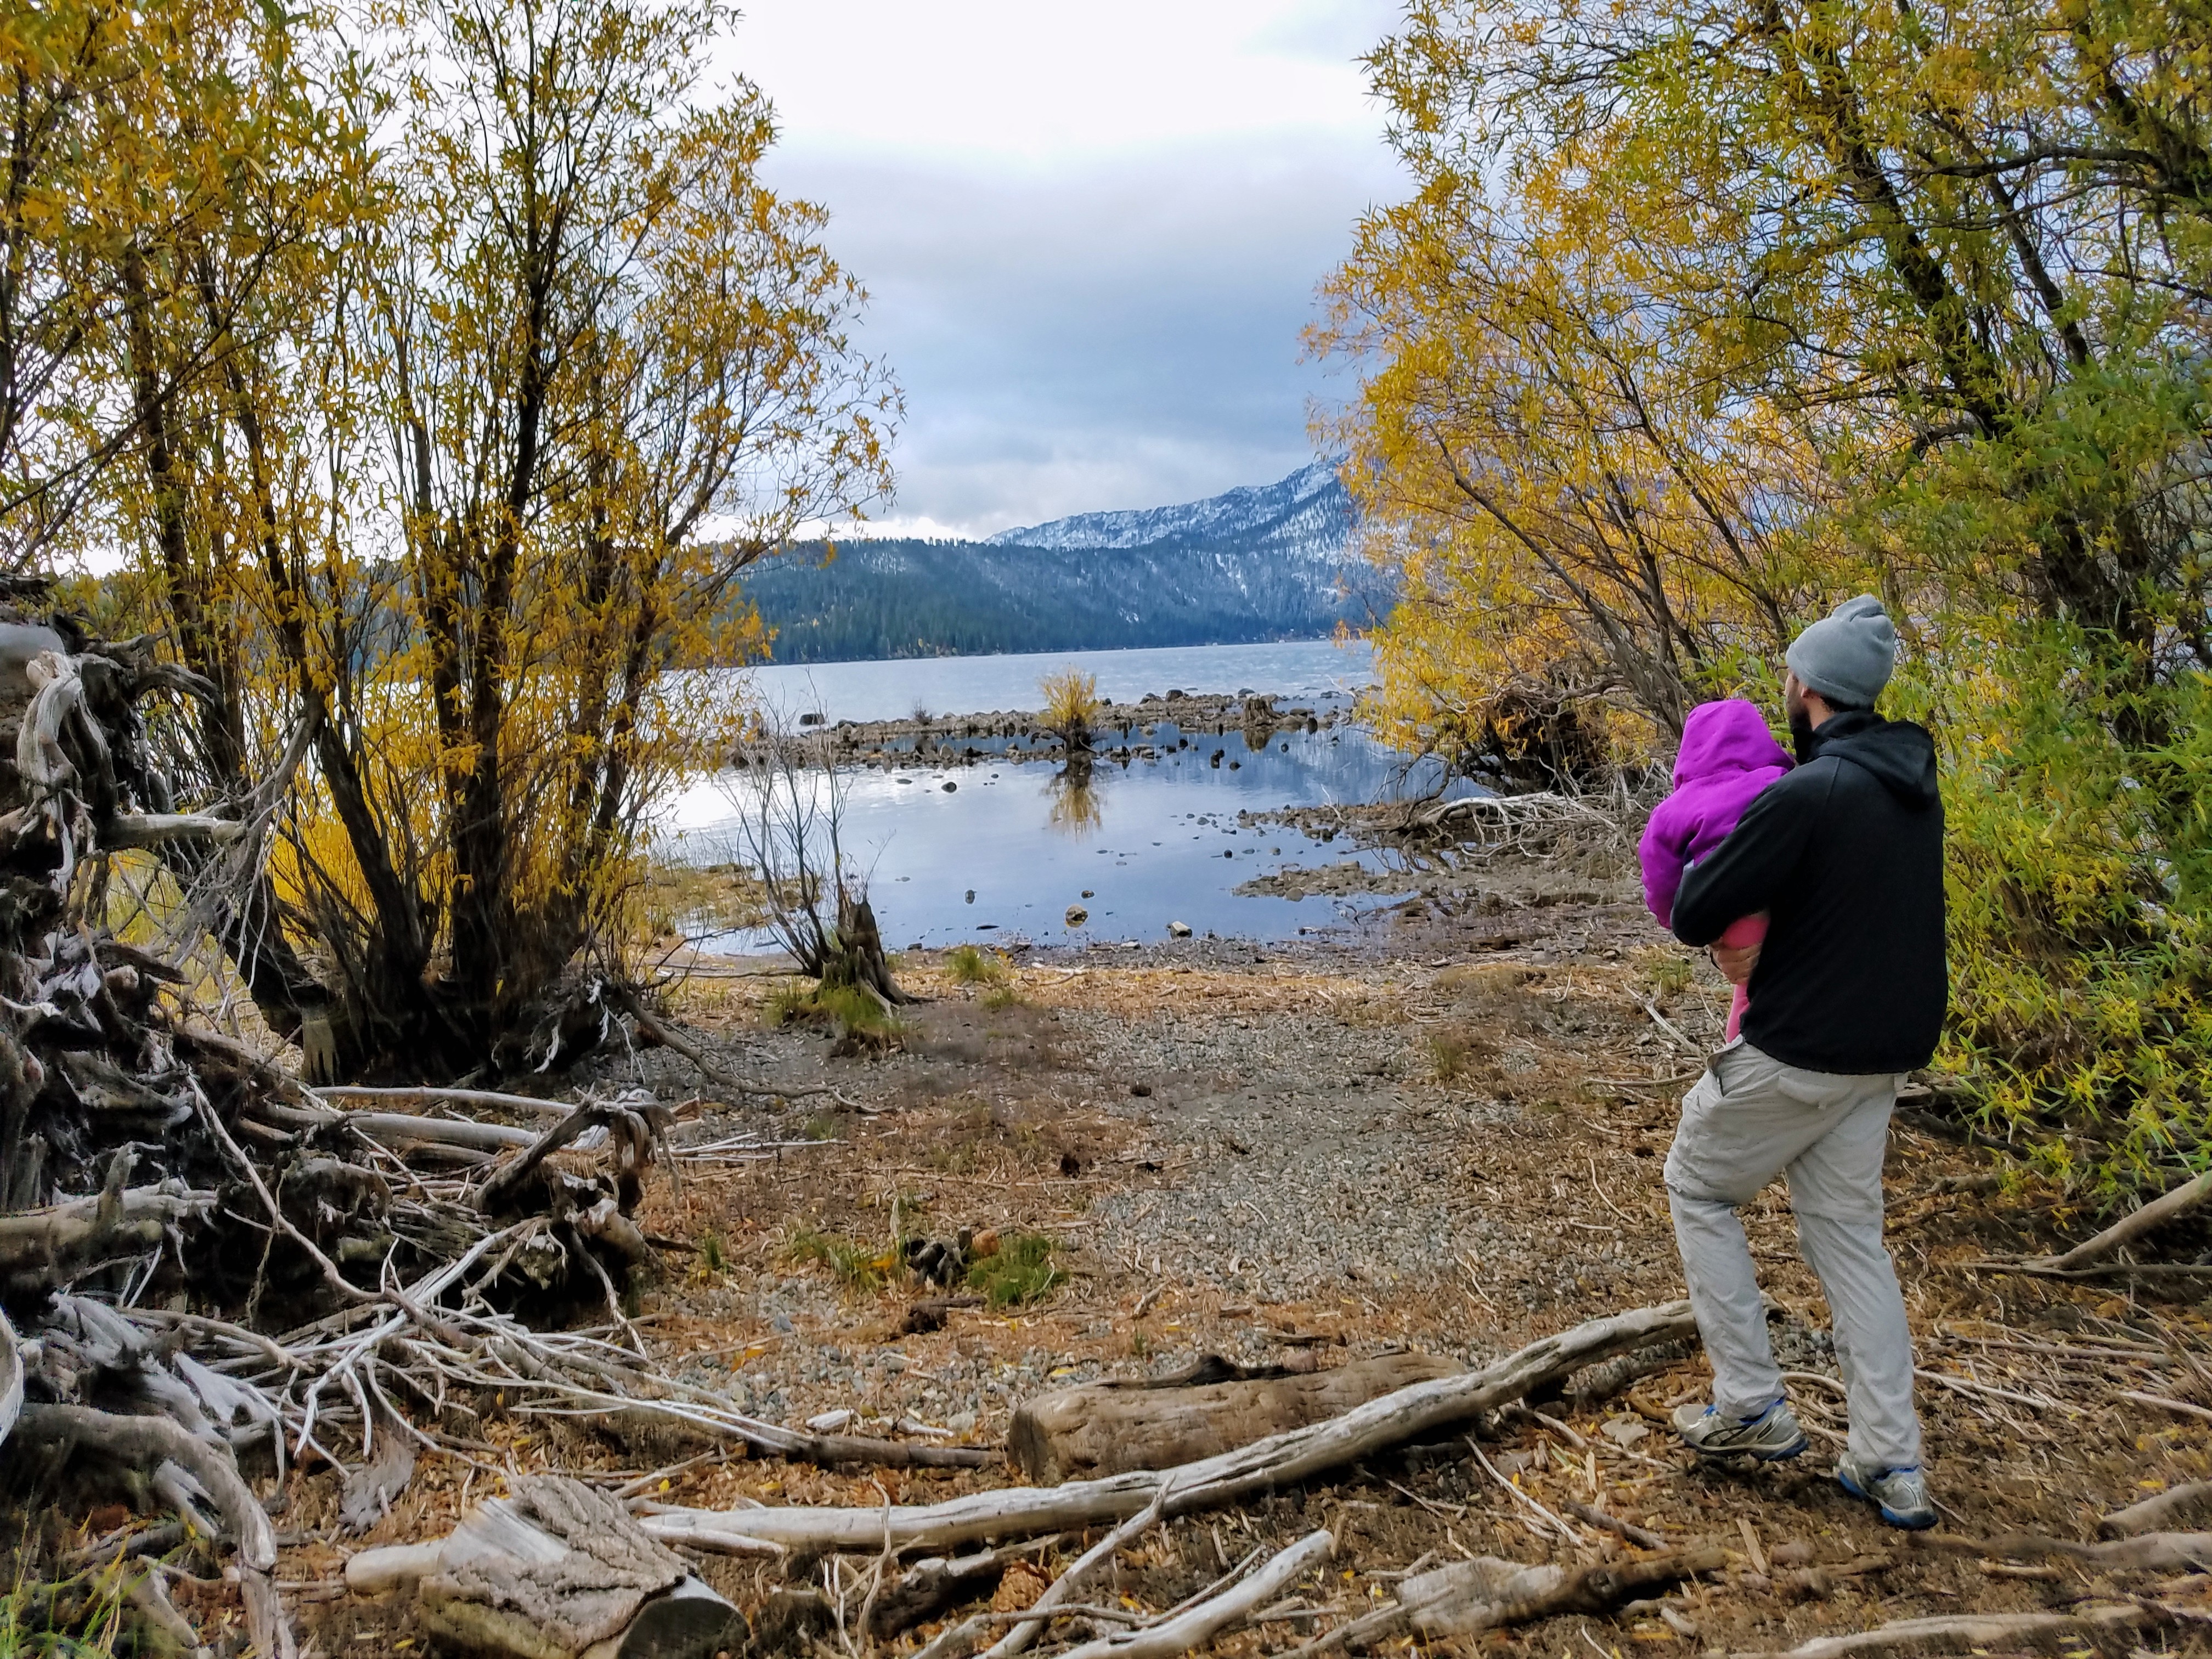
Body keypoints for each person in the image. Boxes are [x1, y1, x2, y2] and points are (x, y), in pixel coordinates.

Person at [1661, 595, 1948, 1531]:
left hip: (1799, 1051)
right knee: (1848, 1239)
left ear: (1807, 688)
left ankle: (1749, 1401)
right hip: (1884, 1054)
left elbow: (1699, 906)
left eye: (1790, 676)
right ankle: (1888, 1457)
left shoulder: (1809, 792)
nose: (1785, 690)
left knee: (1696, 1184)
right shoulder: (1910, 786)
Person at [1637, 700, 1793, 1043]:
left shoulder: (1674, 809)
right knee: (1767, 989)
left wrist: (1673, 916)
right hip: (1778, 905)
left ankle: (1738, 1051)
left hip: (1722, 913)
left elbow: (1659, 875)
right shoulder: (1782, 782)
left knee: (1746, 994)